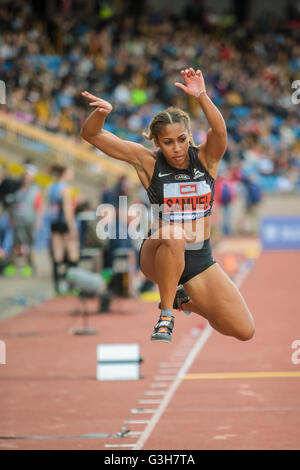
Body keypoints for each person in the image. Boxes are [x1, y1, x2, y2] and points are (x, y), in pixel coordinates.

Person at [80, 67, 255, 343]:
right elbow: (92, 135)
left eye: (182, 140)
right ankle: (165, 315)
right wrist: (102, 112)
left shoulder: (207, 159)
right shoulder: (148, 162)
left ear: (189, 136)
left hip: (199, 257)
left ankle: (180, 301)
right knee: (175, 234)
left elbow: (220, 131)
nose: (177, 148)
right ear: (157, 142)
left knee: (244, 330)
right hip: (159, 250)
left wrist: (202, 96)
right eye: (168, 142)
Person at [48, 165, 79, 294]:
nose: (72, 174)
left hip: (54, 223)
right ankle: (73, 286)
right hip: (64, 223)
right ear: (65, 173)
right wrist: (72, 228)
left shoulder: (51, 188)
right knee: (73, 254)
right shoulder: (65, 189)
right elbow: (67, 210)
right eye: (71, 171)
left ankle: (57, 287)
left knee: (58, 256)